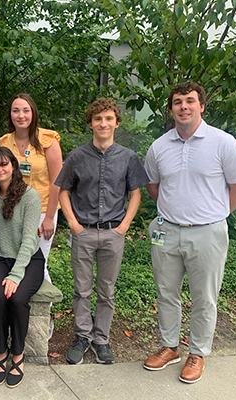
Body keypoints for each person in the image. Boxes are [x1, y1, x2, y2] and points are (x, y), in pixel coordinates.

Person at [143, 82, 236, 383]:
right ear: (171, 109)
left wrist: (215, 214)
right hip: (166, 230)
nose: (184, 107)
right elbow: (153, 186)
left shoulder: (223, 143)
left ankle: (198, 353)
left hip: (208, 233)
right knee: (166, 293)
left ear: (202, 106)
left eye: (190, 101)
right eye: (178, 102)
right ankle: (169, 347)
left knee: (205, 297)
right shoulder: (159, 146)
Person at [55, 98, 149, 365]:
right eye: (98, 119)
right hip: (83, 232)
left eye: (108, 118)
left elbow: (135, 194)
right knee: (82, 290)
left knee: (107, 291)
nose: (103, 123)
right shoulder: (77, 156)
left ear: (117, 123)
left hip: (113, 233)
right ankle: (82, 336)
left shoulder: (128, 157)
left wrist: (124, 226)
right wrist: (72, 223)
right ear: (90, 124)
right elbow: (63, 191)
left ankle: (101, 340)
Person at [0, 147, 44, 388]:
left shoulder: (30, 196)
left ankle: (18, 354)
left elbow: (29, 239)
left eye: (4, 164)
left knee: (16, 298)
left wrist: (16, 275)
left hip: (28, 260)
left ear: (14, 166)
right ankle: (1, 352)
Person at [0, 94, 63, 283]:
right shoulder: (4, 142)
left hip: (42, 210)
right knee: (16, 260)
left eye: (26, 110)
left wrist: (50, 217)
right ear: (10, 115)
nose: (21, 115)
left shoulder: (48, 141)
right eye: (16, 110)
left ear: (33, 113)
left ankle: (44, 311)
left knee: (37, 263)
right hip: (13, 210)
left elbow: (57, 181)